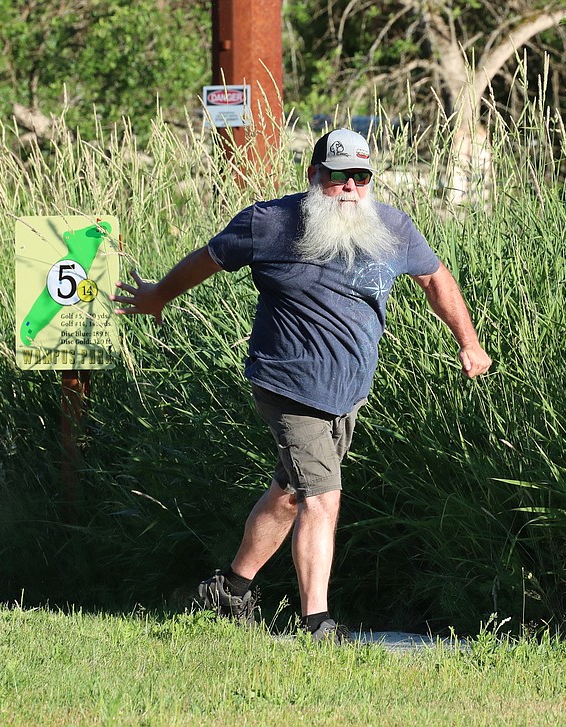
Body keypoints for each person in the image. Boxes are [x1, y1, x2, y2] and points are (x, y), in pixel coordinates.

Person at [111, 128, 492, 641]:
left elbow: (435, 280)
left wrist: (468, 342)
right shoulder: (271, 222)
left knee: (291, 490)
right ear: (314, 176)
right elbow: (209, 258)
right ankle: (318, 622)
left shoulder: (393, 228)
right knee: (323, 496)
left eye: (361, 176)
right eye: (338, 177)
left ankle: (232, 589)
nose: (350, 187)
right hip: (287, 382)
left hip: (348, 389)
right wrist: (159, 295)